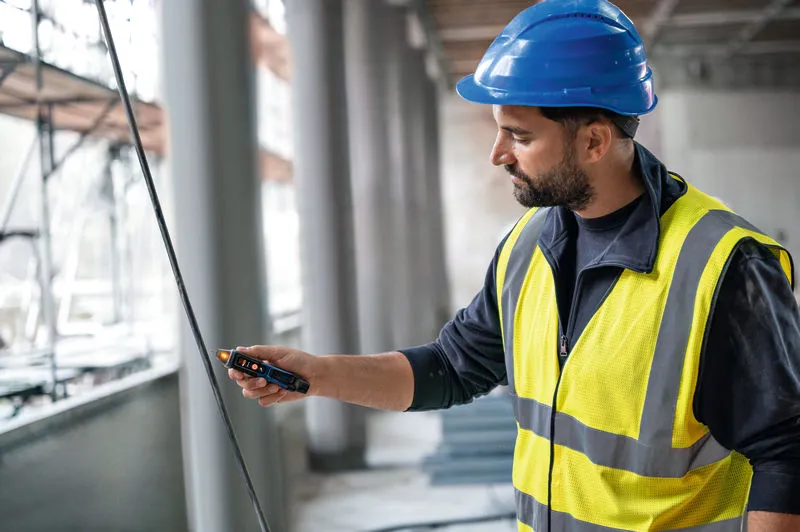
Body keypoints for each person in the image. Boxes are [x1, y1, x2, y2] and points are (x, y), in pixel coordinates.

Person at [230, 0, 800, 530]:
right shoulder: (531, 241)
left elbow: (786, 453)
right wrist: (316, 374)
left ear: (596, 141)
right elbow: (454, 367)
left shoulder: (724, 265)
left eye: (519, 135)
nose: (498, 153)